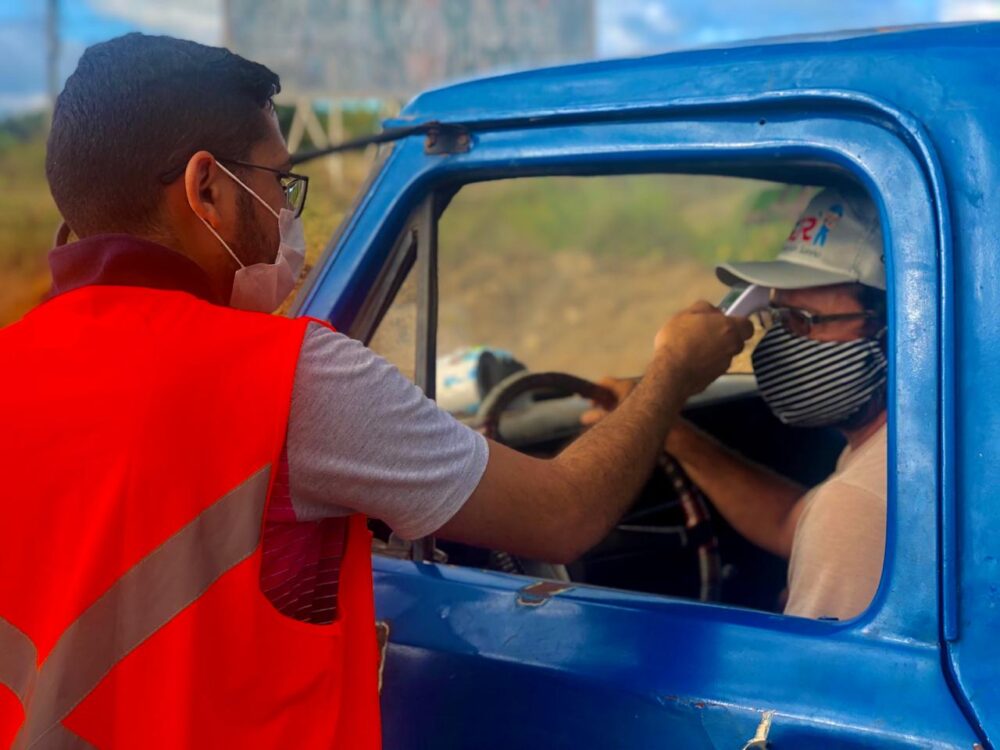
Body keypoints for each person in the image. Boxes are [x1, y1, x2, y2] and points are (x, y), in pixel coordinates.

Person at [0, 34, 751, 748]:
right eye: (276, 184)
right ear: (207, 189)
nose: (287, 216)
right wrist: (673, 376)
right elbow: (565, 516)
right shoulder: (290, 377)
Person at [590, 186, 888, 621]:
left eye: (804, 321)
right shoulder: (897, 453)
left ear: (897, 324)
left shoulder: (859, 503)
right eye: (777, 318)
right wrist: (663, 427)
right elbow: (794, 523)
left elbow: (809, 685)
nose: (780, 342)